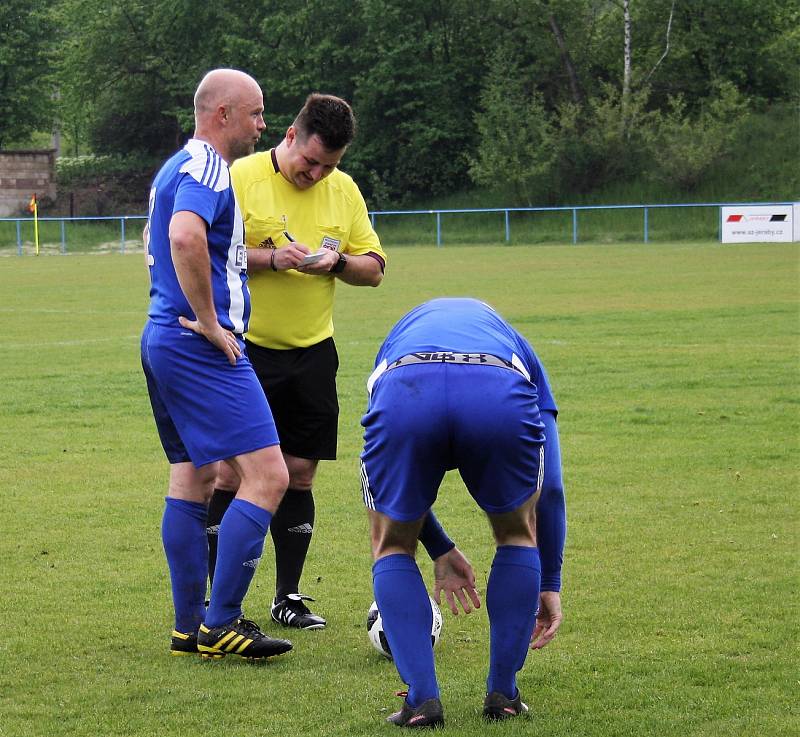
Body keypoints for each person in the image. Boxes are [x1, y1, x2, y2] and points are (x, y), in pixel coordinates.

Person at [205, 93, 387, 630]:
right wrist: (269, 257)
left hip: (313, 352)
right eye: (310, 162)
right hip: (244, 349)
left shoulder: (343, 189)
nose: (316, 174)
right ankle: (221, 600)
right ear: (289, 135)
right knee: (232, 475)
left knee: (300, 475)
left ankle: (288, 596)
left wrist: (337, 262)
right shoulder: (239, 178)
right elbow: (207, 251)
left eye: (329, 165)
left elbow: (374, 268)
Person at [141, 68, 292, 660]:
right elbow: (184, 238)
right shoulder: (206, 163)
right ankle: (222, 621)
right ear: (223, 113)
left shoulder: (173, 166)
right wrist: (208, 320)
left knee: (194, 476)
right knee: (269, 476)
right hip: (199, 344)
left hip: (162, 337)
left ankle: (188, 625)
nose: (262, 124)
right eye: (255, 113)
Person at [360, 297, 567, 727]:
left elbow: (390, 494)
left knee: (391, 544)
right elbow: (551, 488)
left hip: (406, 386)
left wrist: (436, 546)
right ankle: (504, 695)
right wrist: (548, 582)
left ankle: (421, 701)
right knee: (516, 534)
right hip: (497, 390)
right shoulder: (516, 345)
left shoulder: (393, 345)